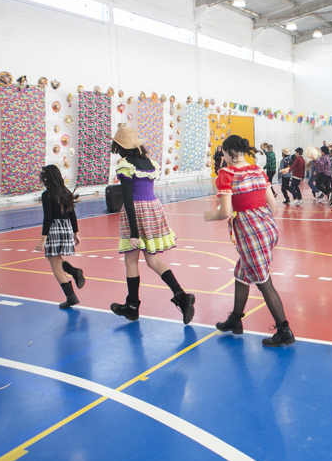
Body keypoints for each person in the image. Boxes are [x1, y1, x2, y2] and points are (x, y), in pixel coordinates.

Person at [206, 135, 295, 347]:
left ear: (228, 153)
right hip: (267, 228)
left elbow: (225, 211)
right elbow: (273, 206)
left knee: (264, 282)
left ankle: (284, 330)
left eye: (223, 154)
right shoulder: (257, 170)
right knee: (242, 274)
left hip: (249, 233)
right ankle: (235, 319)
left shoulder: (227, 173)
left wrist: (209, 216)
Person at [108, 124, 195, 324]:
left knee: (131, 261)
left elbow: (128, 200)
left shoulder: (125, 165)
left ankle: (132, 306)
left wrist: (133, 233)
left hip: (137, 211)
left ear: (120, 146)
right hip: (154, 209)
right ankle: (181, 295)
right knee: (153, 260)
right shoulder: (149, 162)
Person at [35, 165, 84, 309]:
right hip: (66, 228)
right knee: (54, 258)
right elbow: (72, 214)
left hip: (54, 229)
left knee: (55, 265)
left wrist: (42, 240)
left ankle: (71, 297)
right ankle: (74, 271)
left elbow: (48, 218)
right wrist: (76, 232)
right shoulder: (66, 192)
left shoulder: (47, 195)